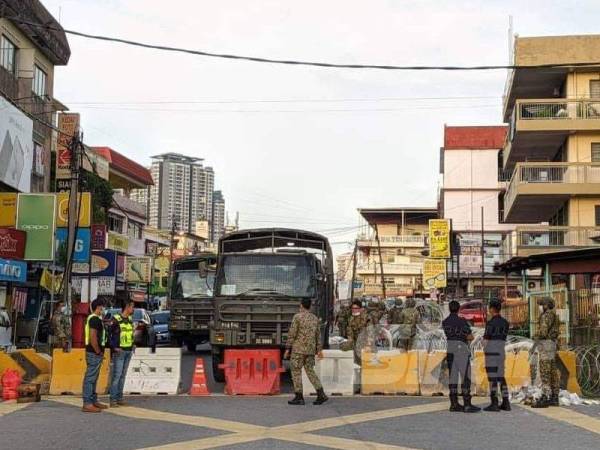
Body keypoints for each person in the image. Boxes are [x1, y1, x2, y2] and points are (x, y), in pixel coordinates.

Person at [284, 297, 328, 406]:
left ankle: (299, 397)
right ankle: (321, 393)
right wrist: (319, 350)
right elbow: (318, 336)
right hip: (310, 350)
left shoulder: (297, 317)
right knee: (310, 371)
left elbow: (292, 334)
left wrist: (287, 348)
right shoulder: (315, 318)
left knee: (296, 371)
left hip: (298, 350)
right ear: (310, 306)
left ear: (301, 305)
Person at [442, 300, 480, 413]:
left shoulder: (445, 322)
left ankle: (454, 404)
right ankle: (467, 404)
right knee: (465, 377)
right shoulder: (462, 321)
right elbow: (470, 337)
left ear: (449, 309)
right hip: (461, 349)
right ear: (458, 309)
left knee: (453, 377)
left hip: (450, 349)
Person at [532, 296, 560, 408]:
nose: (540, 307)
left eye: (541, 305)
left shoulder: (546, 316)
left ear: (546, 305)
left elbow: (543, 332)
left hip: (545, 344)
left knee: (545, 371)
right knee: (553, 371)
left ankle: (545, 397)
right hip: (552, 344)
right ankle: (554, 397)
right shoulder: (554, 315)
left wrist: (534, 336)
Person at [483, 299, 510, 412]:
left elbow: (486, 340)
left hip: (491, 353)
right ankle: (505, 402)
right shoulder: (505, 323)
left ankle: (494, 403)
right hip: (501, 351)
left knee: (492, 378)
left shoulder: (490, 323)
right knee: (501, 377)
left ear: (492, 309)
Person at [82, 298, 108, 413]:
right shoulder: (94, 319)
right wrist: (98, 351)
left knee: (94, 378)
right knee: (90, 378)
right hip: (93, 352)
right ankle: (87, 403)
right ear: (99, 307)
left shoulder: (97, 319)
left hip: (95, 352)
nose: (104, 309)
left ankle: (93, 400)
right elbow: (93, 337)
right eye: (103, 307)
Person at [108, 300, 135, 407]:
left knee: (122, 376)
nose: (133, 309)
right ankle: (113, 400)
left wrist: (133, 344)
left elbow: (129, 334)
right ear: (127, 307)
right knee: (117, 376)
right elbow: (109, 335)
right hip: (120, 351)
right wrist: (114, 347)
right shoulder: (116, 319)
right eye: (132, 307)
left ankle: (119, 398)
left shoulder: (129, 319)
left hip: (128, 350)